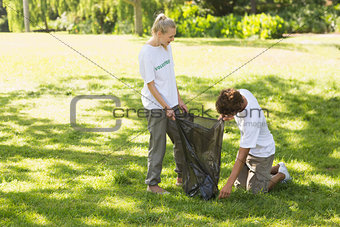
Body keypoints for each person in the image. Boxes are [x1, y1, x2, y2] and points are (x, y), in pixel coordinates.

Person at [139, 13, 188, 194]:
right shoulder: (146, 53)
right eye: (170, 36)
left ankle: (181, 176)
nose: (172, 40)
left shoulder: (166, 47)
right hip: (156, 107)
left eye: (173, 36)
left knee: (182, 139)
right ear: (159, 33)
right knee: (158, 145)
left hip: (171, 104)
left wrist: (178, 100)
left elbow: (170, 77)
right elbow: (151, 85)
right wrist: (166, 107)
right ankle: (152, 184)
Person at [215, 88, 291, 199]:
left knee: (255, 191)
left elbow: (242, 156)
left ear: (237, 110)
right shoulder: (241, 94)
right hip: (249, 150)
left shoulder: (251, 121)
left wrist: (228, 185)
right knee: (240, 187)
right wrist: (230, 115)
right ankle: (273, 169)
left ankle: (281, 173)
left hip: (262, 154)